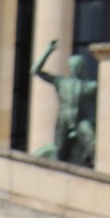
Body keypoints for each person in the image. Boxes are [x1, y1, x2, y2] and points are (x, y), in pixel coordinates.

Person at [32, 40, 97, 168]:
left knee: (91, 141)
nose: (75, 68)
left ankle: (90, 161)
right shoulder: (61, 82)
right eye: (73, 66)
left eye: (78, 66)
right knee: (60, 150)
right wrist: (48, 51)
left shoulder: (88, 86)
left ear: (82, 68)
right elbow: (36, 70)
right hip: (64, 119)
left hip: (80, 120)